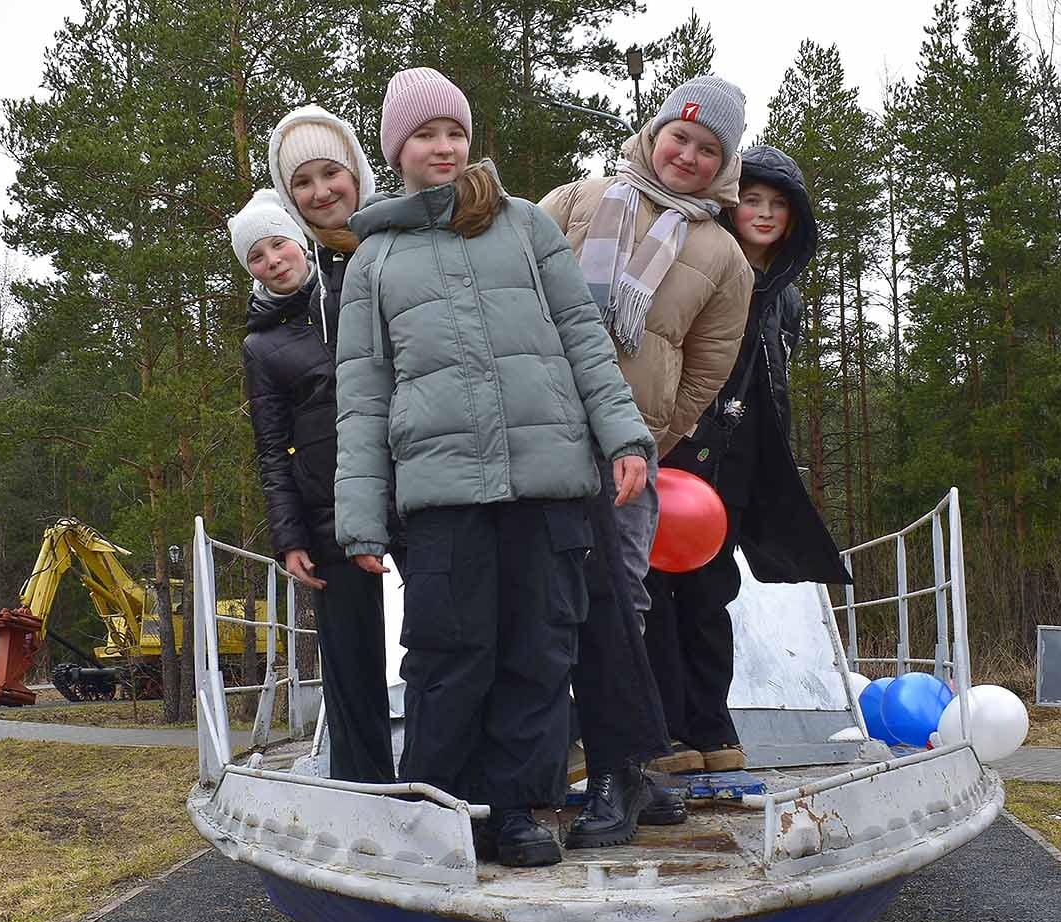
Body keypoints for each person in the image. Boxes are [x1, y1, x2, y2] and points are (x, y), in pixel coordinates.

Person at [334, 68, 654, 868]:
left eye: (454, 131)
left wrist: (624, 435)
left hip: (547, 482)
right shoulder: (373, 260)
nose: (443, 147)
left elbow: (583, 333)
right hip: (442, 492)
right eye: (423, 134)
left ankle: (514, 810)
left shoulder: (523, 226)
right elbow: (364, 397)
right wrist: (362, 517)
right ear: (395, 150)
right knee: (449, 653)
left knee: (539, 653)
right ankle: (439, 811)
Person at [541, 75, 756, 781]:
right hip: (541, 430)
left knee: (622, 593)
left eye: (707, 149)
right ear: (655, 132)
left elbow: (708, 367)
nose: (687, 156)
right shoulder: (577, 199)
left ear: (723, 164)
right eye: (679, 137)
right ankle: (548, 745)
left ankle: (619, 751)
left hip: (630, 450)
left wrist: (652, 436)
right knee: (543, 588)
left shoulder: (723, 255)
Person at [648, 145, 851, 769]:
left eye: (778, 205)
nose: (764, 214)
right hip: (678, 450)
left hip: (739, 462)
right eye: (752, 200)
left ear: (794, 219)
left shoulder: (786, 297)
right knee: (654, 592)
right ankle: (663, 733)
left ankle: (710, 728)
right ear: (732, 207)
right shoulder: (698, 264)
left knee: (712, 594)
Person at [232, 180, 394, 786]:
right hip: (325, 507)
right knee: (350, 658)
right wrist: (289, 535)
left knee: (438, 636)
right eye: (257, 256)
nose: (273, 261)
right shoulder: (262, 344)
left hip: (403, 485)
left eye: (279, 244)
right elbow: (271, 448)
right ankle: (365, 784)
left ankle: (443, 774)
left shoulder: (359, 286)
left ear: (300, 240)